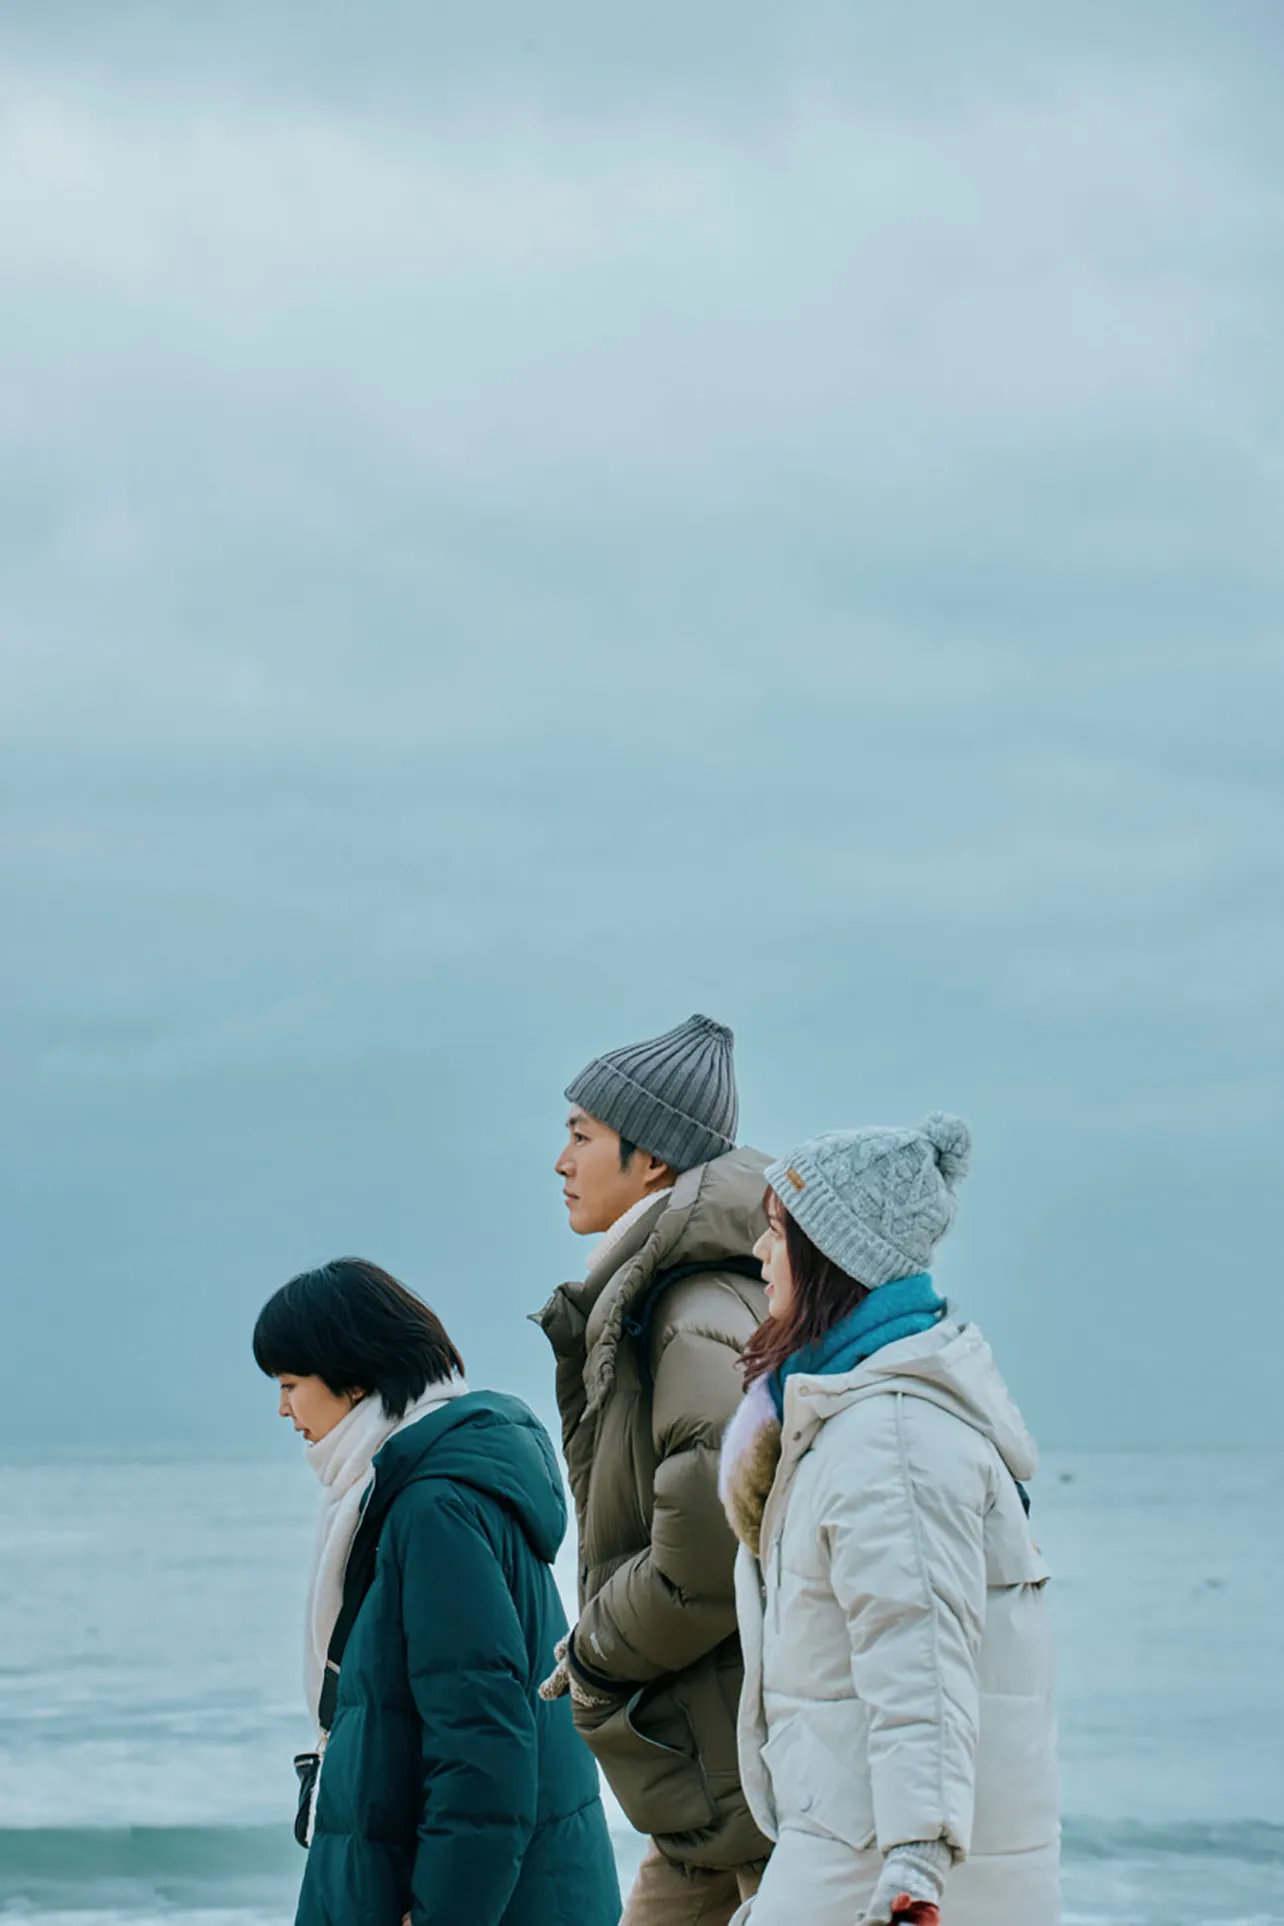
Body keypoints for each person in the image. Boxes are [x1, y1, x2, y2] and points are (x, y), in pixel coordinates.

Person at [718, 1117, 1060, 1926]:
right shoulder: (849, 1418)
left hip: (876, 1862)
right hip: (851, 1838)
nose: (761, 1256)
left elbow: (917, 1649)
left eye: (776, 1234)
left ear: (836, 1257)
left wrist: (914, 1863)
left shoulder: (890, 1437)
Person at [253, 1257, 621, 1926]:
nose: (282, 1408)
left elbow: (483, 1744)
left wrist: (441, 1913)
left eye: (290, 1384)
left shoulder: (433, 1506)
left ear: (354, 1376)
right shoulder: (419, 1486)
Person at [533, 1014, 772, 1926]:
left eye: (583, 1136)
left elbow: (706, 1549)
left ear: (656, 1163)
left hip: (739, 1779)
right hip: (710, 1781)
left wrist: (594, 1651)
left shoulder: (692, 1310)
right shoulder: (670, 1299)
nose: (561, 1160)